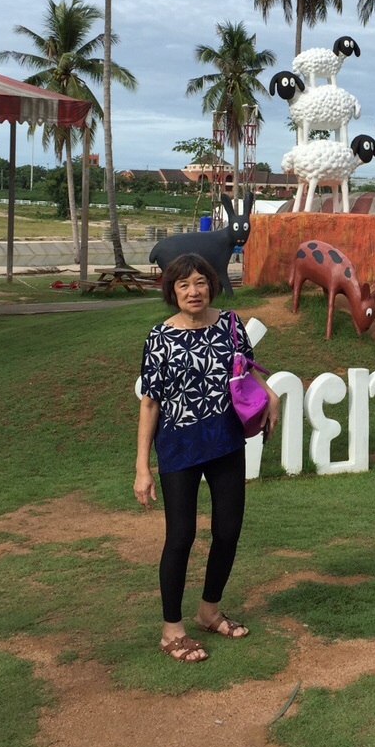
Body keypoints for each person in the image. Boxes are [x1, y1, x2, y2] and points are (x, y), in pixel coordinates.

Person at [134, 253, 279, 663]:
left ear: (211, 284)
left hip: (226, 443)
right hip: (179, 447)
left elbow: (245, 371)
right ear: (172, 291)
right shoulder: (159, 338)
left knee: (228, 530)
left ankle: (209, 611)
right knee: (180, 536)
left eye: (199, 282)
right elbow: (149, 404)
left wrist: (270, 393)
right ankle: (171, 630)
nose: (193, 291)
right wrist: (142, 467)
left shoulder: (231, 324)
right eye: (183, 285)